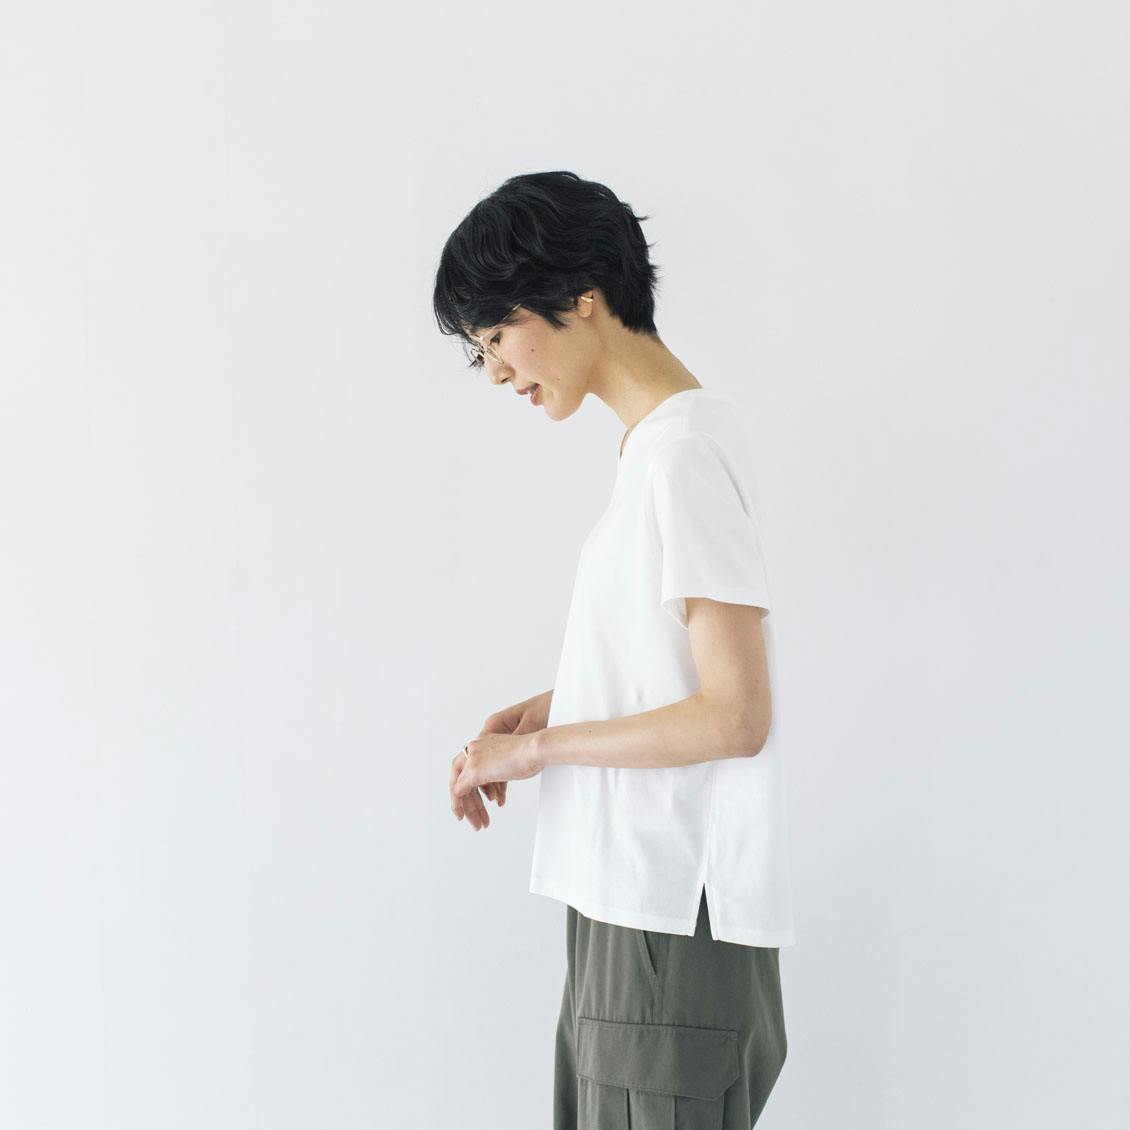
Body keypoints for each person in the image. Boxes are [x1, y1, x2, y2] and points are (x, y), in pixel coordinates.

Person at [432, 170, 795, 1129]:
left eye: (498, 334)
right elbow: (678, 670)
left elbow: (736, 714)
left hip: (664, 922)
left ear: (580, 295)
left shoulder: (682, 455)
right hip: (633, 913)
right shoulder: (657, 451)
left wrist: (541, 752)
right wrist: (552, 709)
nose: (497, 371)